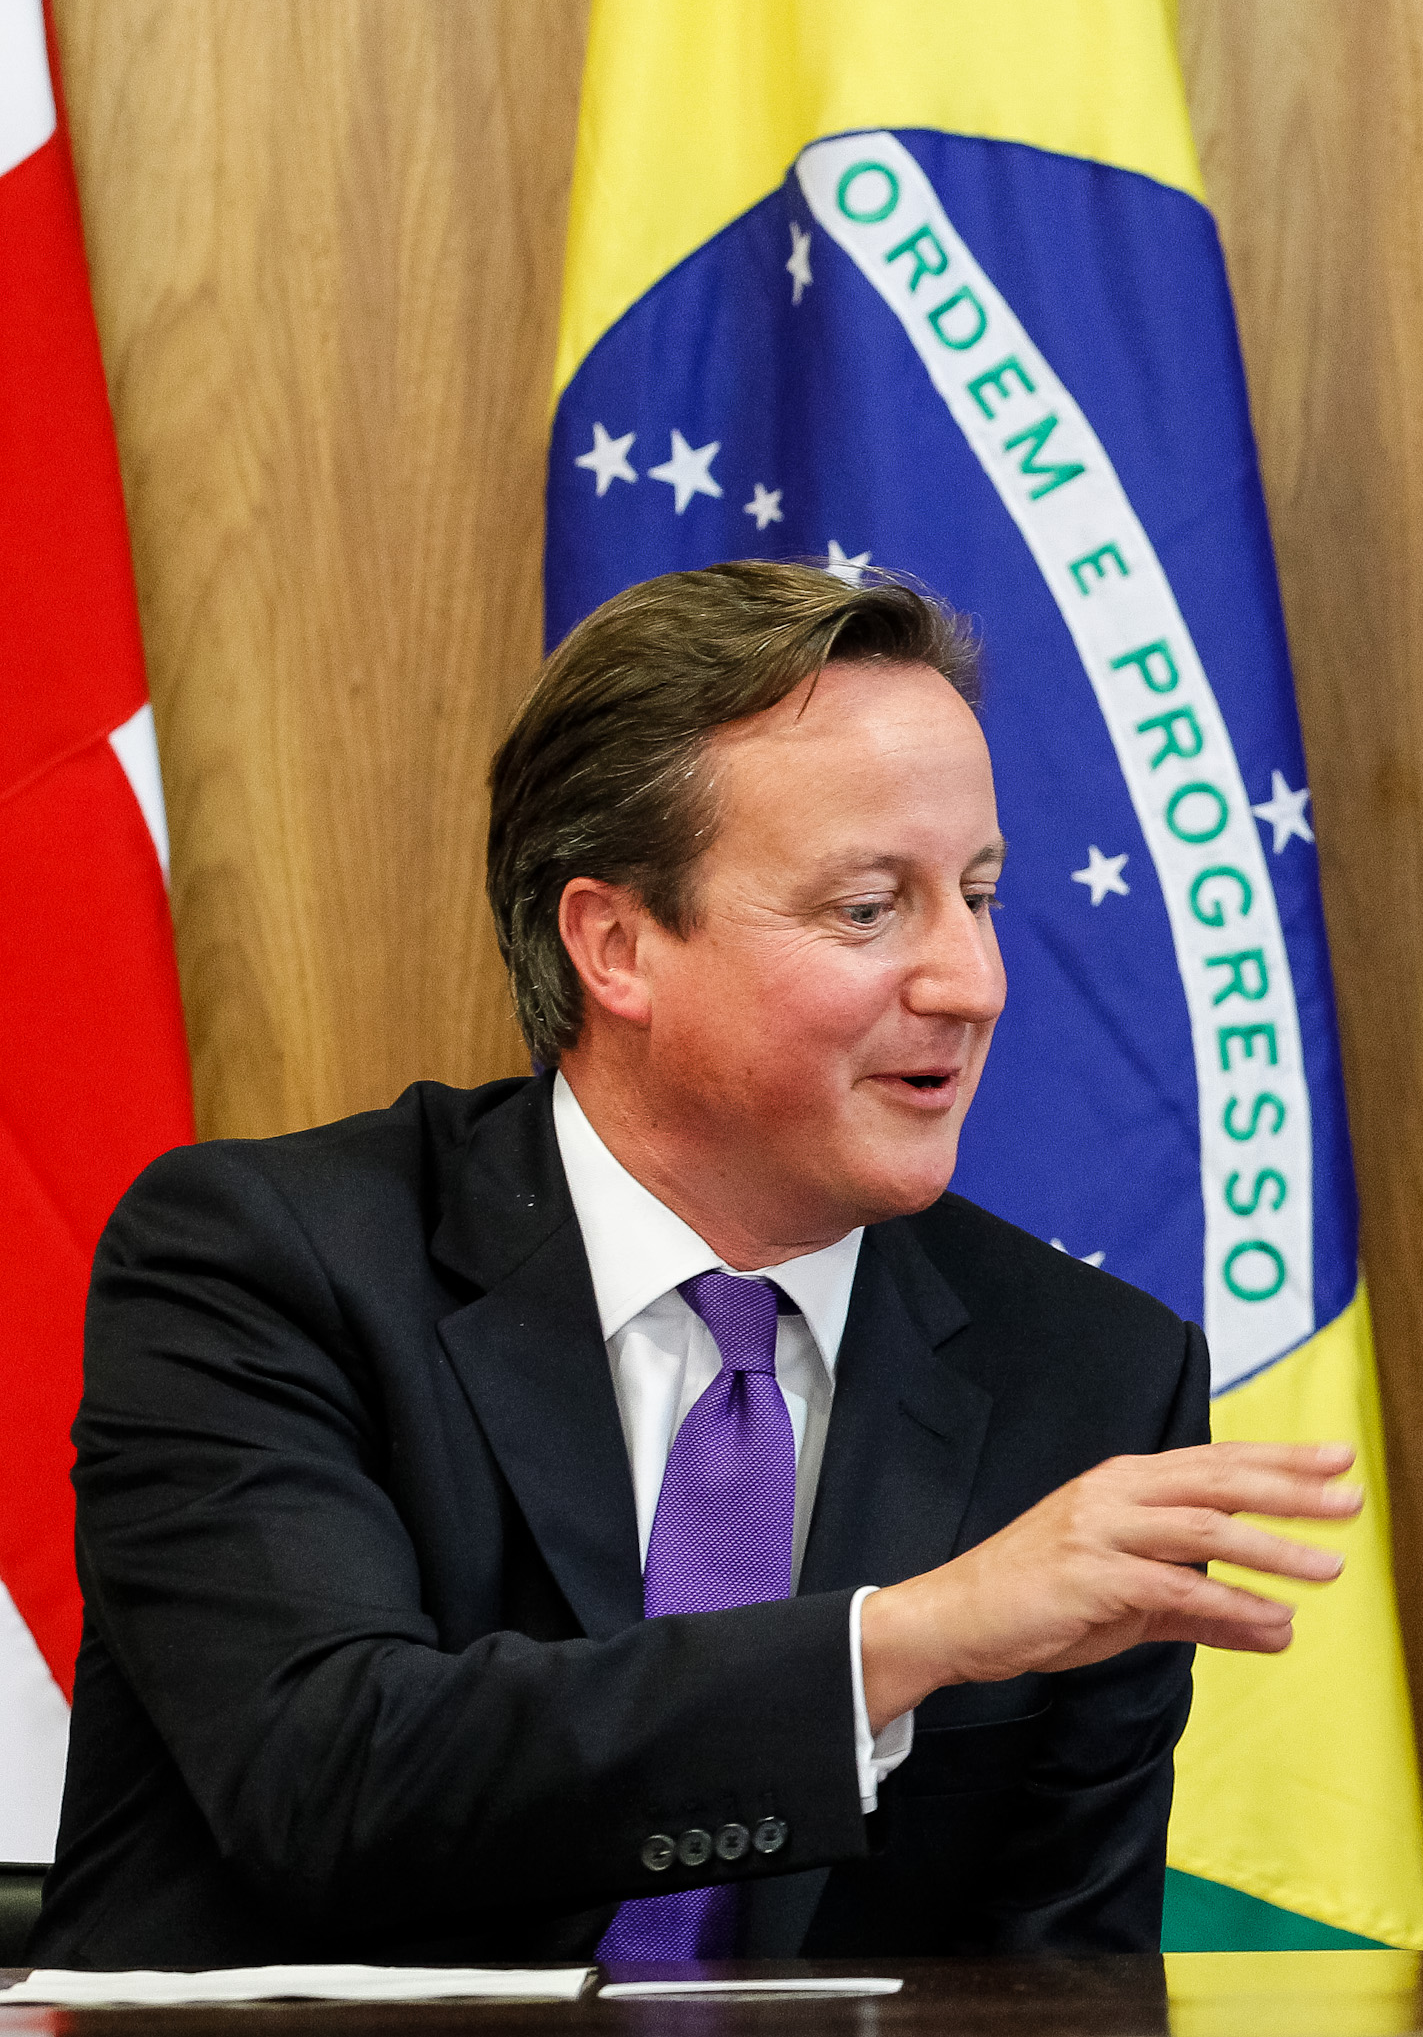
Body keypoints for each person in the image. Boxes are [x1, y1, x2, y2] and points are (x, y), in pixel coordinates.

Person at [40, 562, 1356, 1968]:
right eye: (868, 907)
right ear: (615, 941)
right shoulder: (267, 1262)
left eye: (976, 894)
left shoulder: (1090, 1376)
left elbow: (1057, 1980)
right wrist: (894, 1644)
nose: (971, 979)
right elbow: (330, 1777)